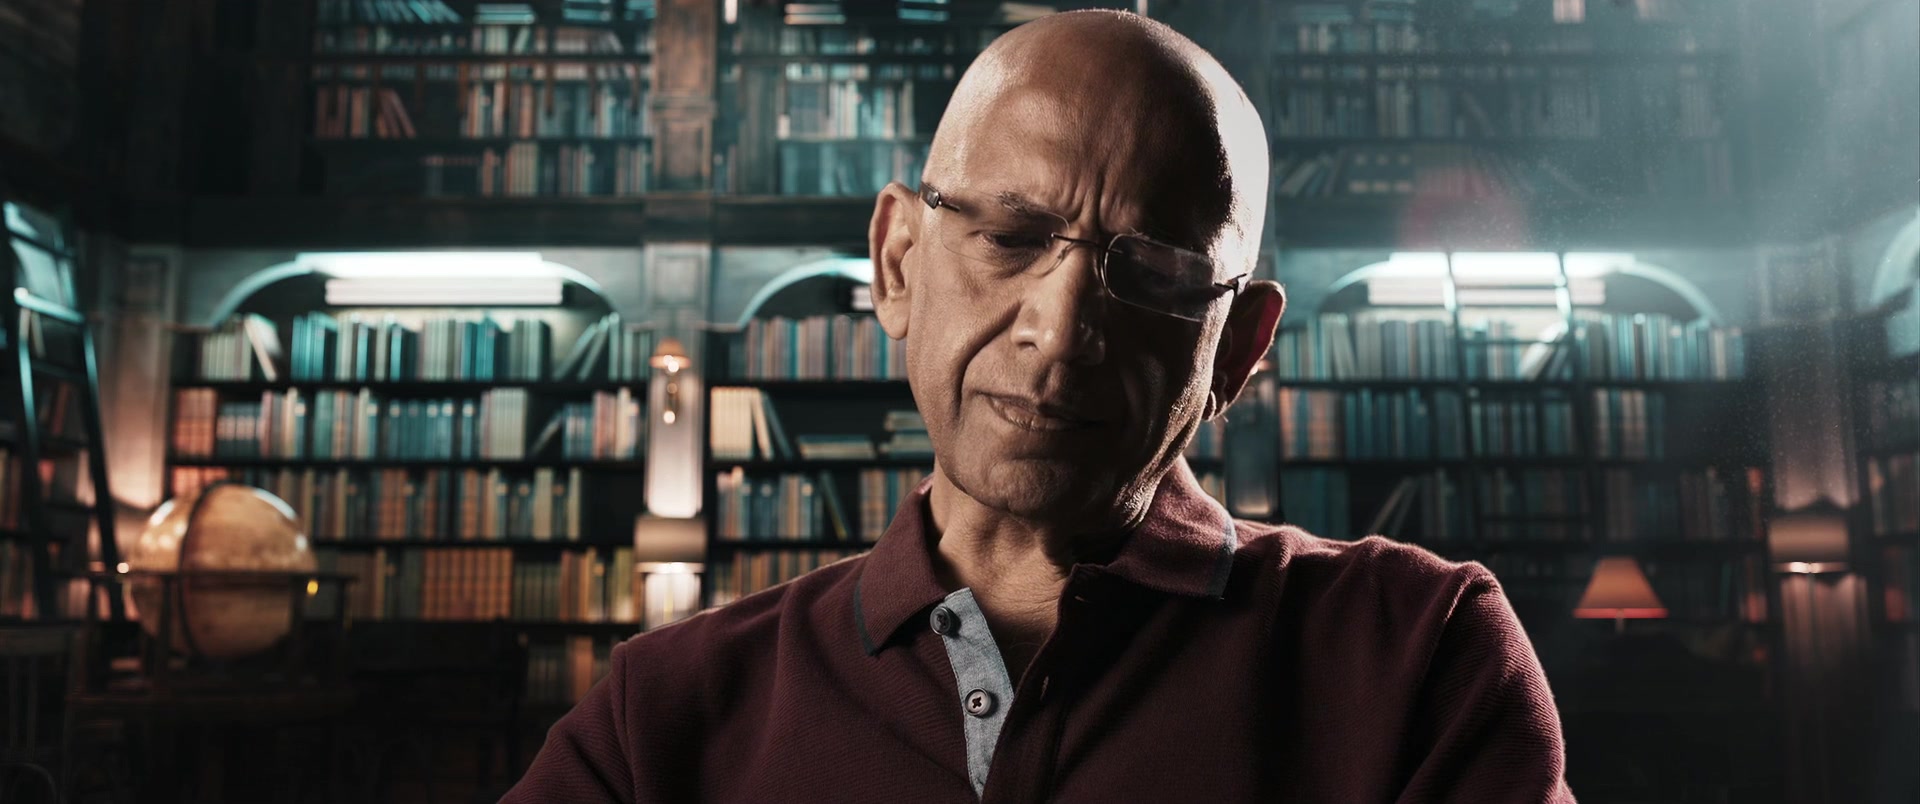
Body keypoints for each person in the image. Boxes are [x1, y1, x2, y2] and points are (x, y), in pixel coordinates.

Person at [504, 10, 1575, 803]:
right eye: (1011, 237)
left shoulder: (1418, 656)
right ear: (897, 265)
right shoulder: (663, 716)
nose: (1059, 332)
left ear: (1239, 346)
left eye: (1152, 273)